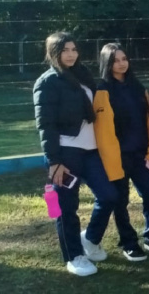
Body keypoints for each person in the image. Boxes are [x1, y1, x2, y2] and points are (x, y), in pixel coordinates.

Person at [34, 33, 118, 276]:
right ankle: (74, 256)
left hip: (91, 150)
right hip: (65, 152)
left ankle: (90, 239)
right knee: (66, 207)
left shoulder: (83, 75)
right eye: (64, 50)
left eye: (73, 49)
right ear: (53, 53)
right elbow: (45, 125)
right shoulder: (47, 82)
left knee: (109, 195)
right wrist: (54, 161)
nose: (71, 54)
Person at [94, 43, 149, 261]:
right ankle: (129, 242)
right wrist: (110, 159)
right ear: (107, 62)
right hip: (117, 158)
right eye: (116, 60)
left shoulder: (138, 88)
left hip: (141, 156)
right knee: (120, 201)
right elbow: (101, 131)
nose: (121, 63)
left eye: (124, 59)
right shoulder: (101, 90)